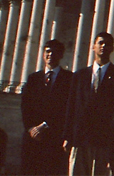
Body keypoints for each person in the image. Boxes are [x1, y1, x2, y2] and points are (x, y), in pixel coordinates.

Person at [63, 32, 114, 176]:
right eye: (100, 43)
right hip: (80, 137)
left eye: (107, 44)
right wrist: (67, 135)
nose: (103, 46)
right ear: (93, 47)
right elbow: (71, 106)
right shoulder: (80, 75)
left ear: (112, 49)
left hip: (103, 139)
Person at [21, 39, 73, 176]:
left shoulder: (70, 79)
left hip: (55, 137)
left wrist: (45, 125)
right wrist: (31, 128)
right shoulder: (33, 78)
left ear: (61, 55)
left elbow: (67, 108)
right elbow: (26, 106)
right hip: (33, 138)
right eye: (47, 52)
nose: (50, 55)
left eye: (54, 52)